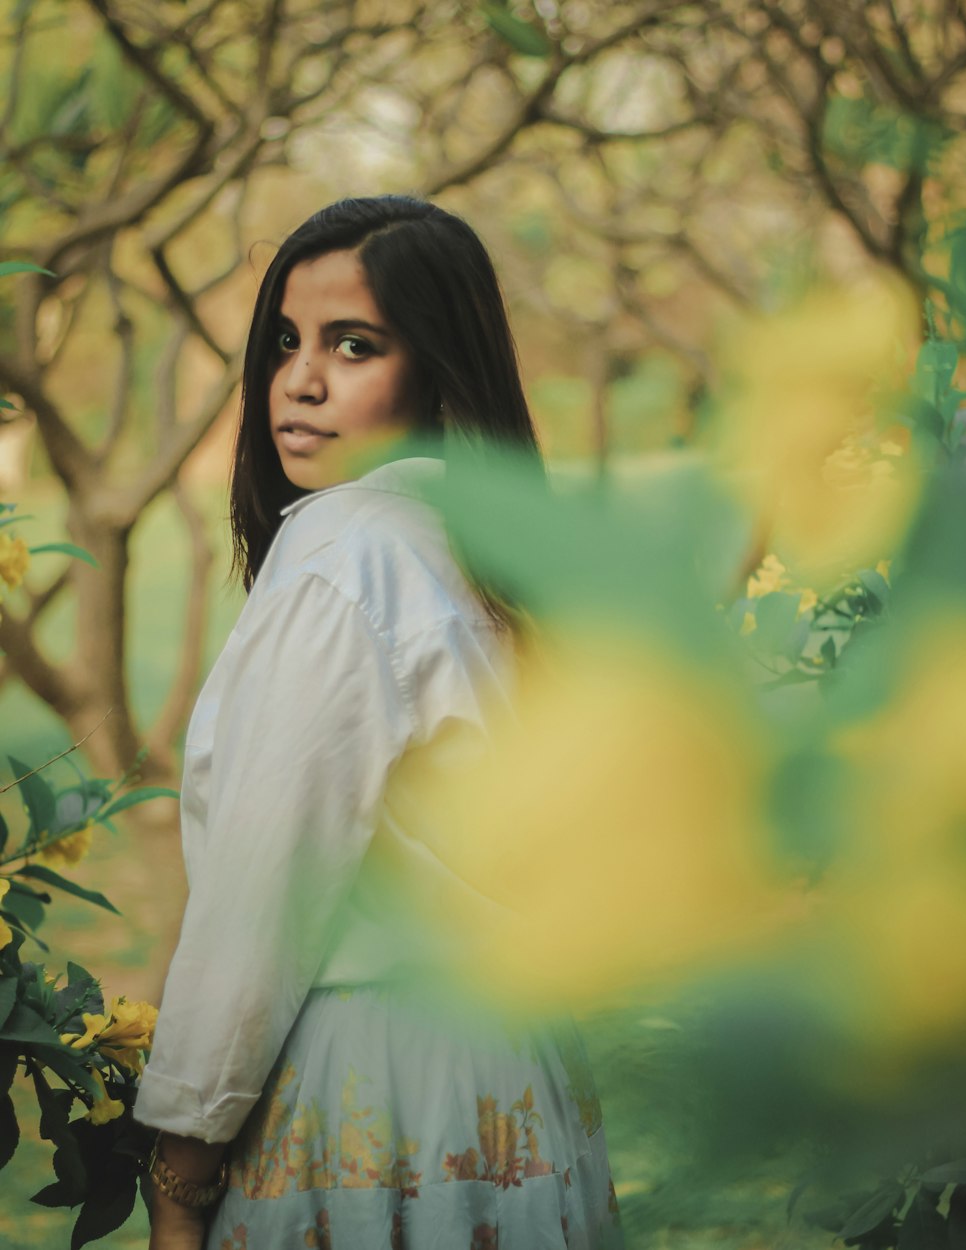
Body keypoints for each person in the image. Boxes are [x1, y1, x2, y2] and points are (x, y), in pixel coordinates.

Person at [134, 195, 621, 1250]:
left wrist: (181, 1151)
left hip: (375, 1085)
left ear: (437, 365)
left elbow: (264, 887)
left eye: (354, 345)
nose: (300, 381)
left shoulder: (345, 562)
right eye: (283, 343)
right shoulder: (479, 554)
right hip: (516, 1071)